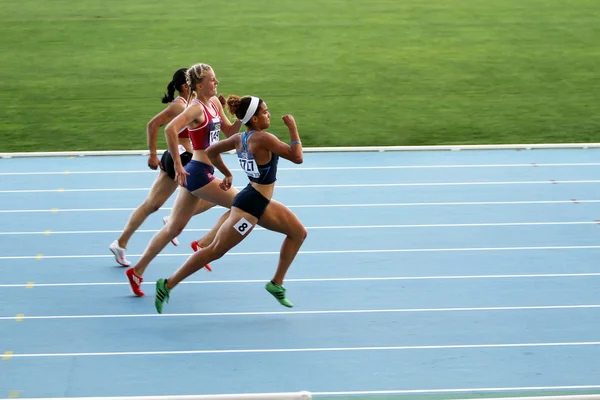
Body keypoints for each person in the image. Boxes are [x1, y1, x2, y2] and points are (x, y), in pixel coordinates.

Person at [153, 94, 307, 313]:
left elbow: (211, 151)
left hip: (256, 199)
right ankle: (167, 284)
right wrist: (293, 128)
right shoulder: (264, 139)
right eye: (264, 112)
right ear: (254, 119)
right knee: (215, 251)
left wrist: (227, 173)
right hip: (250, 208)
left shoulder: (240, 139)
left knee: (298, 233)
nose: (268, 114)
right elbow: (297, 157)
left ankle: (276, 284)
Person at [124, 63, 243, 296]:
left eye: (216, 78)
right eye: (212, 79)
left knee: (173, 229)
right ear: (199, 85)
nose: (216, 82)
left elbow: (229, 132)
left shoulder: (216, 104)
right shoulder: (195, 109)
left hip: (197, 173)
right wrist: (177, 164)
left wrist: (243, 116)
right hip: (198, 173)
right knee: (243, 203)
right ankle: (204, 243)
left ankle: (137, 270)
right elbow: (169, 130)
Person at [109, 68, 217, 267]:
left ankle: (120, 243)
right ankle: (173, 218)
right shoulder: (181, 106)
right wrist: (151, 154)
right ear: (187, 86)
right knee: (217, 195)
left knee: (152, 204)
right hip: (183, 159)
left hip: (174, 156)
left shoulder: (194, 104)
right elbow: (154, 124)